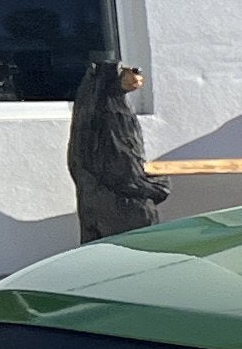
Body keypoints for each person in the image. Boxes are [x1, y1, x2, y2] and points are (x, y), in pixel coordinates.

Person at [65, 61, 167, 241]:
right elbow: (122, 167)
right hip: (122, 209)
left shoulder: (87, 113)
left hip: (93, 205)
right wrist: (155, 187)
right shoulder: (112, 114)